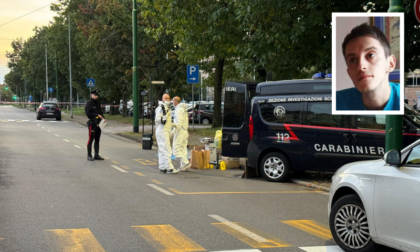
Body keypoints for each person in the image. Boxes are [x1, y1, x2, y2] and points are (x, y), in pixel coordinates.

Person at [336, 23, 399, 111]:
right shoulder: (336, 102)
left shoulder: (403, 101)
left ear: (390, 63)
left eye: (371, 55)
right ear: (349, 73)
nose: (361, 66)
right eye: (353, 60)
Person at [155, 94, 178, 174]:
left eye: (168, 98)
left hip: (164, 130)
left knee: (162, 149)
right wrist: (163, 118)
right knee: (166, 149)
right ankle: (169, 167)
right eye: (166, 98)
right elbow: (157, 119)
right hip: (162, 131)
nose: (168, 99)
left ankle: (162, 167)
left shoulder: (166, 108)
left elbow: (166, 122)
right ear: (162, 99)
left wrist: (171, 124)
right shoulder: (161, 108)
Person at [85, 89, 106, 161]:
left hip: (99, 124)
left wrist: (103, 118)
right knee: (91, 139)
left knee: (97, 139)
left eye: (97, 95)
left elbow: (101, 112)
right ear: (92, 95)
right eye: (95, 95)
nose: (96, 96)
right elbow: (88, 113)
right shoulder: (89, 103)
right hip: (93, 123)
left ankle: (96, 155)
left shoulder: (97, 103)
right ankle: (89, 155)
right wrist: (97, 115)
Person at [172, 96, 191, 172]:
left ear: (175, 101)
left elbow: (178, 122)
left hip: (180, 131)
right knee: (183, 148)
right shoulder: (183, 109)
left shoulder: (178, 110)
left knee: (176, 148)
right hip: (185, 130)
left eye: (173, 101)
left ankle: (184, 162)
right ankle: (183, 165)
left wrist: (173, 132)